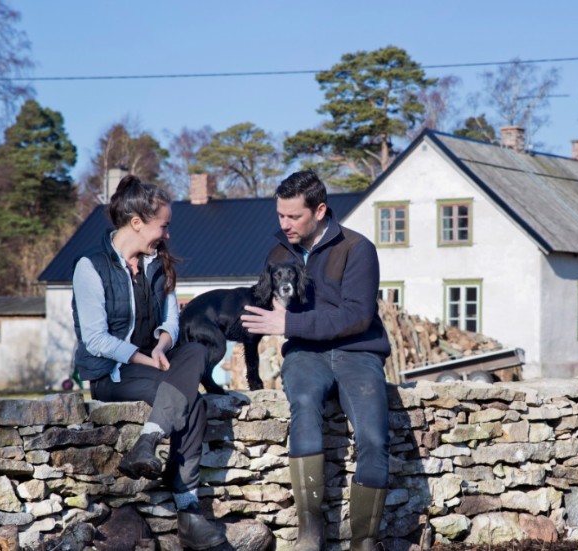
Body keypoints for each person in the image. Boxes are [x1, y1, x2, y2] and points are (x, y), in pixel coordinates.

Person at [71, 175, 271, 551]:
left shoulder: (157, 264)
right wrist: (143, 356)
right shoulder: (90, 267)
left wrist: (162, 345)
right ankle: (188, 512)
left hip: (154, 361)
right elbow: (95, 339)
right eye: (163, 225)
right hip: (112, 372)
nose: (166, 233)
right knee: (189, 403)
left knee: (196, 351)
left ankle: (149, 440)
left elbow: (172, 321)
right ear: (137, 223)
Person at [241, 170, 390, 551]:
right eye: (280, 215)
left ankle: (364, 542)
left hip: (359, 352)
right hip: (306, 354)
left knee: (373, 436)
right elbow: (262, 302)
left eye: (294, 217)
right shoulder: (278, 253)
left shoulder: (358, 248)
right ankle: (310, 533)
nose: (284, 224)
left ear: (320, 210)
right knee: (304, 406)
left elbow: (355, 315)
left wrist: (289, 321)